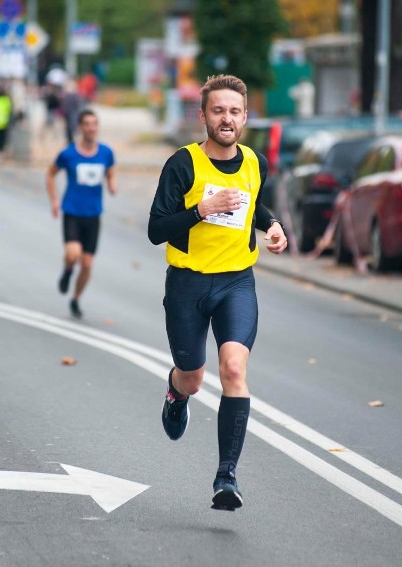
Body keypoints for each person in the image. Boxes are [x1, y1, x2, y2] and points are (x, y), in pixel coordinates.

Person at [147, 74, 288, 511]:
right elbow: (156, 229)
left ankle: (226, 477)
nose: (226, 118)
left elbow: (253, 202)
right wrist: (198, 210)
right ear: (203, 115)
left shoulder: (254, 163)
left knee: (233, 368)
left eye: (234, 111)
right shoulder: (182, 164)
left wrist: (273, 225)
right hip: (188, 283)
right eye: (218, 110)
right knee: (193, 376)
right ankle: (176, 393)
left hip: (235, 282)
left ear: (245, 116)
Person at [46, 109, 116, 318]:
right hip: (72, 212)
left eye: (94, 124)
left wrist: (112, 184)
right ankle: (67, 270)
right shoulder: (68, 153)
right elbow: (50, 174)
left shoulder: (106, 152)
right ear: (80, 127)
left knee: (86, 263)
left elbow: (110, 172)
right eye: (86, 124)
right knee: (73, 254)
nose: (91, 128)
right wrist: (55, 201)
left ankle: (75, 298)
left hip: (93, 215)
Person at [60, 80, 85, 145]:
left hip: (73, 115)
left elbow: (79, 106)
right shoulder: (66, 95)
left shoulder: (75, 96)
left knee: (73, 130)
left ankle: (74, 143)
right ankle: (71, 143)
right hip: (68, 115)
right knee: (69, 130)